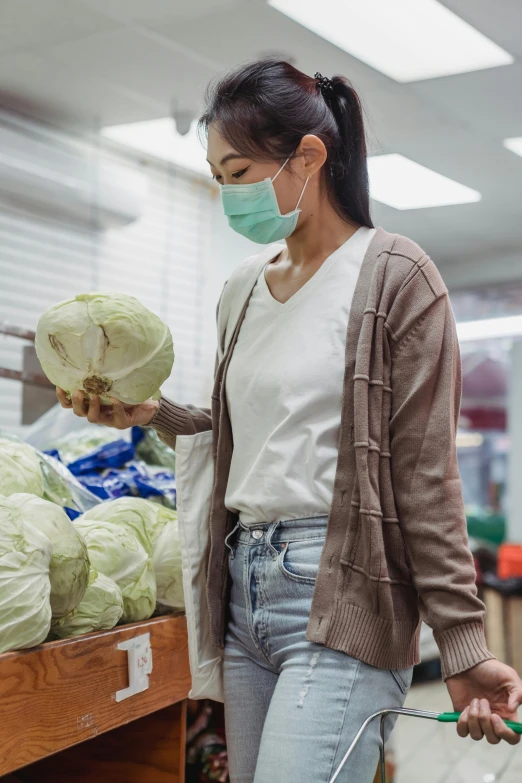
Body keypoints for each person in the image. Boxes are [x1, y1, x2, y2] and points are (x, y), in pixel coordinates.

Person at [57, 59, 522, 782]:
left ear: (309, 157)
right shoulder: (242, 289)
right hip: (244, 590)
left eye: (238, 171)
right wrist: (148, 412)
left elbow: (425, 474)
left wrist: (463, 643)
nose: (226, 194)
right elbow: (239, 428)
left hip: (342, 587)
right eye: (217, 177)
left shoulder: (398, 277)